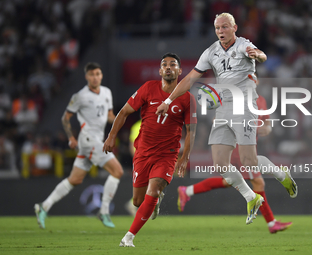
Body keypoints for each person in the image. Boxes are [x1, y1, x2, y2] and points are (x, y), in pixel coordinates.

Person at [156, 13, 297, 224]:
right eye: (217, 28)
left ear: (234, 28)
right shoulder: (211, 52)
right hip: (222, 108)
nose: (221, 31)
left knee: (249, 161)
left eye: (224, 27)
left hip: (244, 105)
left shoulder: (242, 45)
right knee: (220, 164)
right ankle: (251, 198)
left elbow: (261, 55)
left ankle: (281, 175)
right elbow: (190, 78)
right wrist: (168, 100)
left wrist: (258, 55)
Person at [103, 53, 197, 247]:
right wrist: (112, 135)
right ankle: (154, 200)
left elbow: (191, 132)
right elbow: (124, 112)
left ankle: (128, 237)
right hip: (143, 153)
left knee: (153, 190)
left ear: (180, 71)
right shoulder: (148, 88)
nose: (169, 67)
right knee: (138, 201)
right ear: (160, 71)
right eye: (165, 65)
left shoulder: (187, 98)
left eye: (173, 65)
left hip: (167, 154)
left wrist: (185, 157)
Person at [177, 94, 293, 234]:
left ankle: (187, 191)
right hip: (239, 146)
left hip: (250, 145)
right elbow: (218, 119)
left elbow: (267, 124)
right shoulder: (236, 97)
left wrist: (266, 129)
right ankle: (271, 223)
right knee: (258, 182)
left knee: (228, 181)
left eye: (254, 77)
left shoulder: (261, 100)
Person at [34, 62, 124, 229]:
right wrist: (70, 137)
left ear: (101, 75)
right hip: (90, 140)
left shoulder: (106, 92)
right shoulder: (80, 96)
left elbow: (110, 115)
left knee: (75, 179)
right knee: (117, 171)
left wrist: (122, 117)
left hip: (94, 140)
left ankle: (43, 206)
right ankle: (104, 211)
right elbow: (65, 118)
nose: (95, 77)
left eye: (98, 74)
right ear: (86, 77)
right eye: (92, 74)